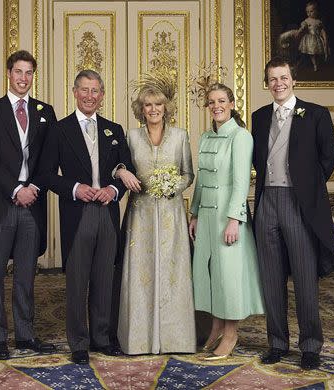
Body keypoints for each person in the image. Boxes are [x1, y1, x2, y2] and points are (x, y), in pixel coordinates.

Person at [36, 69, 134, 365]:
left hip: (107, 213)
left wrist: (114, 191)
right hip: (77, 213)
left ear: (102, 96)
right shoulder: (59, 129)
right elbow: (46, 174)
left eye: (95, 91)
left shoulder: (113, 130)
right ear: (75, 92)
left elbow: (125, 167)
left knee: (104, 278)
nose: (90, 96)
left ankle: (101, 338)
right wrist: (76, 188)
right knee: (78, 280)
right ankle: (78, 342)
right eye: (84, 90)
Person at [252, 58, 334, 370]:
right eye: (272, 79)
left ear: (293, 80)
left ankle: (310, 346)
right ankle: (276, 343)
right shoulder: (259, 117)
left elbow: (328, 158)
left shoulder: (315, 114)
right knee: (271, 278)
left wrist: (306, 187)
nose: (279, 84)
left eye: (283, 77)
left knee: (304, 278)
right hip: (266, 202)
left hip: (298, 202)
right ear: (268, 83)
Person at [0, 50, 57, 360]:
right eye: (19, 72)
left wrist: (33, 187)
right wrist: (15, 189)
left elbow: (50, 158)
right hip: (3, 204)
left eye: (29, 73)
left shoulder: (44, 111)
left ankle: (25, 335)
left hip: (33, 204)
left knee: (26, 275)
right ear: (8, 73)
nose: (24, 78)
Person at [113, 73, 195, 355]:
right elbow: (118, 165)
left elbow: (189, 174)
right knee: (141, 274)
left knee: (173, 273)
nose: (153, 110)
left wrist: (176, 185)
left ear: (166, 108)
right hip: (142, 215)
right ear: (141, 109)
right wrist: (121, 172)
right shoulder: (132, 136)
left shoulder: (181, 136)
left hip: (172, 216)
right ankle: (139, 340)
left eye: (158, 105)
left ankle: (176, 339)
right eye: (147, 105)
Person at [188, 83, 265, 361]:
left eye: (222, 100)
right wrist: (194, 213)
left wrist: (235, 219)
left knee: (229, 277)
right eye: (211, 102)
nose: (216, 105)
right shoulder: (206, 137)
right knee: (209, 274)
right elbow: (201, 179)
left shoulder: (241, 137)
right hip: (206, 217)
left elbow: (241, 181)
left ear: (232, 104)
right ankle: (216, 327)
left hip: (228, 217)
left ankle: (231, 333)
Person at [297, 1, 329, 71]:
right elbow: (302, 28)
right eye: (307, 12)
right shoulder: (306, 21)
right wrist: (300, 31)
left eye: (311, 11)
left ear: (316, 11)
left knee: (317, 52)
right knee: (312, 53)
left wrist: (324, 38)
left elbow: (322, 31)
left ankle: (317, 63)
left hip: (316, 39)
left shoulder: (318, 21)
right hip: (309, 39)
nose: (309, 13)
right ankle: (314, 65)